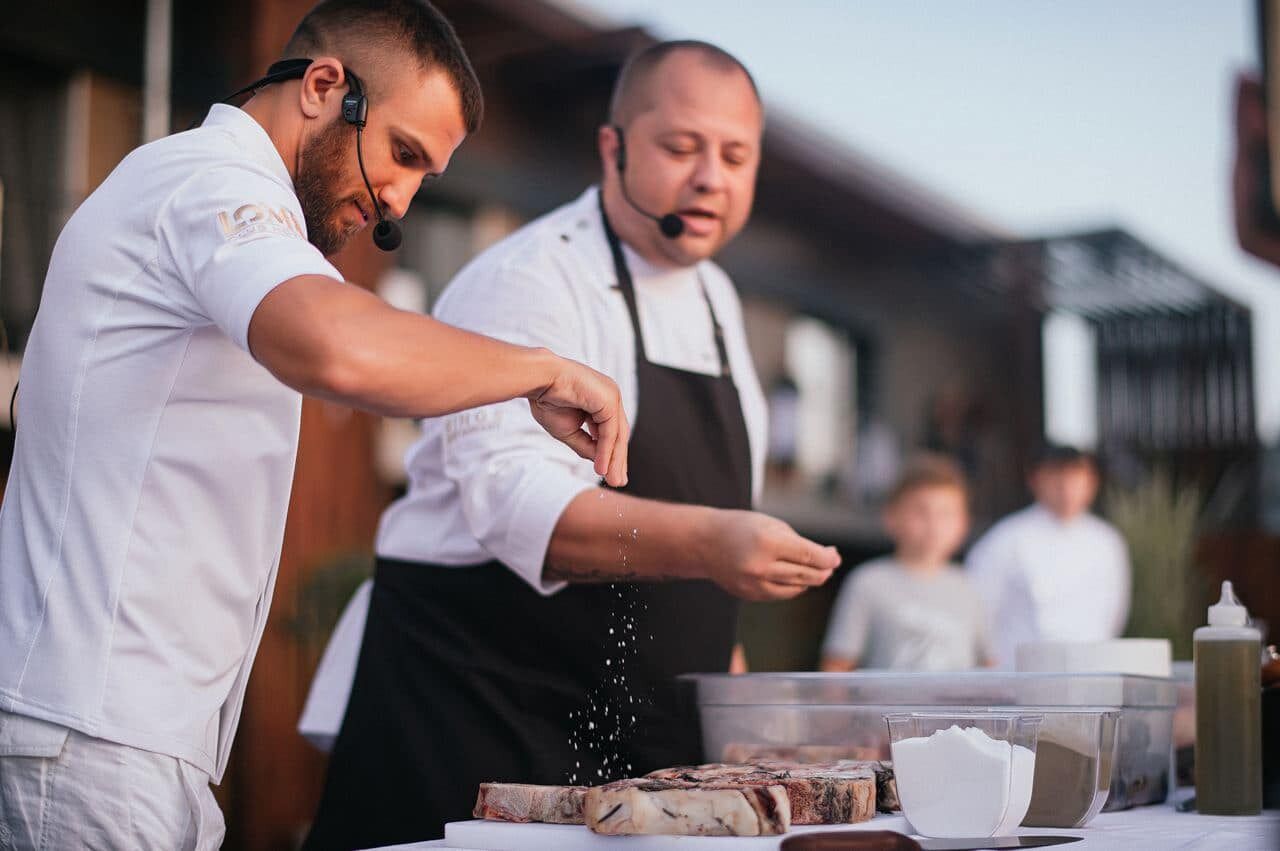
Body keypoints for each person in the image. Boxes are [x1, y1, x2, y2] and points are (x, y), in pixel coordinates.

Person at [0, 2, 630, 848]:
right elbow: (334, 345)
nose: (396, 202)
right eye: (402, 154)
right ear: (325, 86)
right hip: (89, 735)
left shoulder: (220, 198)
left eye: (425, 178)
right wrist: (542, 368)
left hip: (129, 738)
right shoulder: (208, 181)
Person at [301, 40, 841, 848]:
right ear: (612, 146)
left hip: (639, 763)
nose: (710, 179)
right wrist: (714, 541)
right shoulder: (527, 279)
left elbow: (717, 556)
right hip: (480, 733)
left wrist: (747, 721)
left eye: (735, 156)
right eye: (681, 147)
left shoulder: (721, 299)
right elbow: (521, 510)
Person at [821, 454, 991, 672]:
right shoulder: (868, 583)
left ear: (964, 523)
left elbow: (989, 667)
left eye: (945, 514)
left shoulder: (971, 587)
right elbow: (836, 669)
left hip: (953, 706)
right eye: (921, 512)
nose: (934, 525)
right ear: (891, 517)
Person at [965, 445, 1130, 669]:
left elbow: (1114, 612)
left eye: (1075, 478)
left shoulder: (1107, 541)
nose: (1066, 488)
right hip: (1022, 675)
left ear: (1092, 482)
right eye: (1055, 478)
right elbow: (978, 611)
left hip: (1091, 671)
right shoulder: (1006, 539)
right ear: (1034, 481)